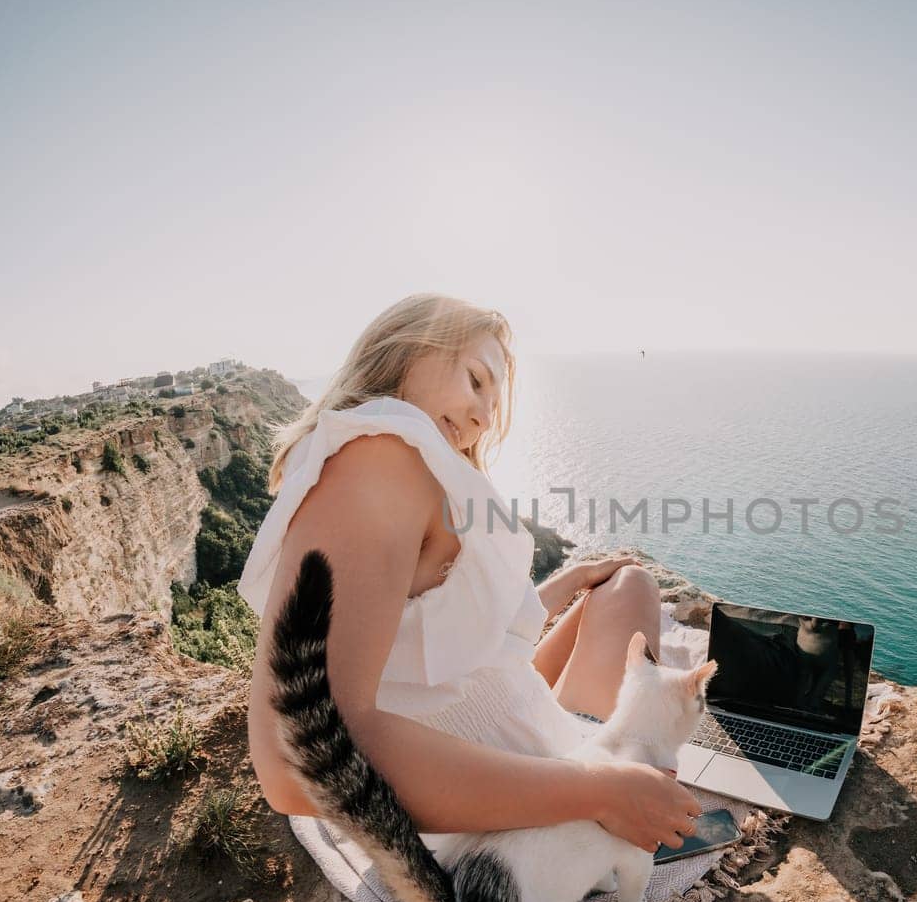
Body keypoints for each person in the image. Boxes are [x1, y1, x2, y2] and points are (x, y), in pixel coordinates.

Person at [240, 293, 701, 856]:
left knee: (625, 585)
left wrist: (568, 581)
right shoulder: (378, 462)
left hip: (500, 736)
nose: (484, 418)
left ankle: (582, 725)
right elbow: (296, 759)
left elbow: (435, 635)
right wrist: (604, 792)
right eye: (476, 380)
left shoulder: (388, 465)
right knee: (633, 602)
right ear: (406, 349)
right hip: (512, 819)